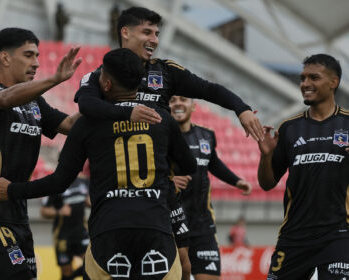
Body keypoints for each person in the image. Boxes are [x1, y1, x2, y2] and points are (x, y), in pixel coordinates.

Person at [0, 48, 197, 280]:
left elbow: (59, 182)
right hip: (155, 228)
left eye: (101, 77)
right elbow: (188, 166)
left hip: (108, 231)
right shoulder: (162, 119)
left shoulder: (88, 124)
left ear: (107, 85)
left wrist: (11, 190)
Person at [0, 27, 82, 280]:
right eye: (29, 55)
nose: (37, 63)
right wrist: (54, 79)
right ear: (5, 58)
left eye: (38, 56)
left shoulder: (35, 103)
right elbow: (6, 98)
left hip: (17, 211)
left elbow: (72, 126)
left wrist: (103, 98)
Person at [74, 6, 264, 142]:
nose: (154, 40)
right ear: (125, 33)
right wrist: (129, 112)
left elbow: (210, 89)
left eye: (156, 34)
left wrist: (241, 109)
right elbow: (87, 105)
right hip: (113, 176)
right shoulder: (101, 75)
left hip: (160, 180)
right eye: (147, 32)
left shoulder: (167, 71)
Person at [257, 54, 349, 280]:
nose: (305, 84)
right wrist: (266, 156)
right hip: (294, 236)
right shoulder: (289, 128)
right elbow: (267, 183)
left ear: (333, 82)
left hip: (338, 234)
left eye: (313, 78)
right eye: (302, 78)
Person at [169, 95, 252, 280]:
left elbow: (213, 163)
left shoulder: (206, 135)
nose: (178, 104)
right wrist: (169, 182)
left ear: (193, 106)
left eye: (183, 99)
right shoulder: (160, 137)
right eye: (172, 100)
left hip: (202, 224)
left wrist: (237, 181)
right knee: (180, 274)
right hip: (171, 224)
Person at [40, 171, 90, 280]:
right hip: (63, 234)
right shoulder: (56, 184)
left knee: (90, 264)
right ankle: (70, 276)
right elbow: (44, 211)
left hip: (82, 232)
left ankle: (75, 274)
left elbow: (88, 200)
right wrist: (59, 212)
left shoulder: (84, 181)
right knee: (66, 271)